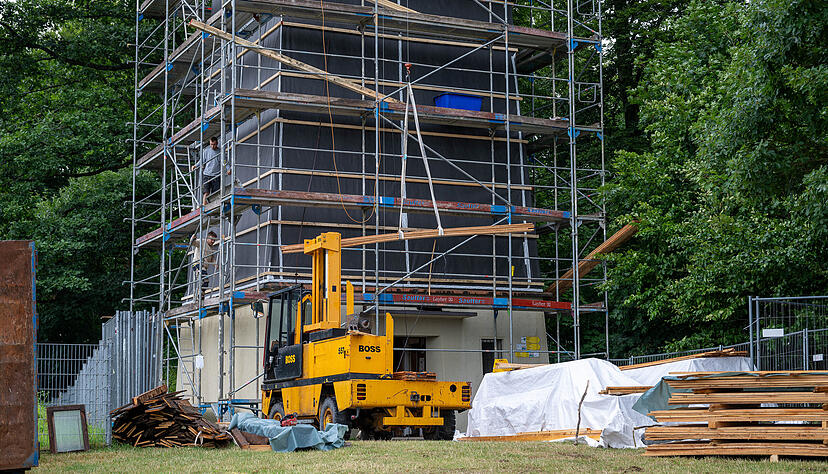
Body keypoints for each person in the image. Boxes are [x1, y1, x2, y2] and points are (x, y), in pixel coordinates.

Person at [200, 137, 231, 205]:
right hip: (207, 174)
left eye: (214, 144)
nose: (212, 146)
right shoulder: (206, 151)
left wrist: (228, 169)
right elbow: (202, 161)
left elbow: (225, 162)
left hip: (216, 175)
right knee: (206, 192)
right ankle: (203, 205)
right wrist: (195, 166)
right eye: (211, 144)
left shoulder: (220, 152)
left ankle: (214, 204)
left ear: (217, 144)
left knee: (215, 193)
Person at [190, 230, 218, 295]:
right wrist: (193, 238)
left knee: (206, 282)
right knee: (204, 279)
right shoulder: (202, 241)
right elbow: (193, 243)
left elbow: (212, 258)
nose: (213, 241)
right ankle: (198, 293)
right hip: (197, 264)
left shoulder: (211, 248)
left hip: (204, 267)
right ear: (207, 238)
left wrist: (215, 264)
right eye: (212, 239)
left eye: (214, 240)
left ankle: (201, 294)